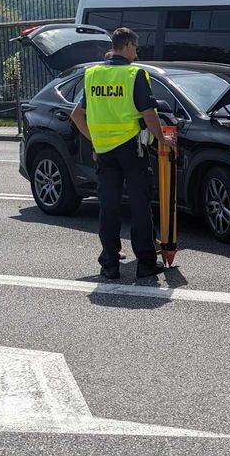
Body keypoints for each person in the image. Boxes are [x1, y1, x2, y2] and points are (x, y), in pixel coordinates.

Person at [70, 28, 171, 280]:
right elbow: (149, 115)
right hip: (132, 149)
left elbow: (76, 115)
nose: (137, 53)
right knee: (139, 205)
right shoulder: (134, 75)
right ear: (126, 45)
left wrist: (96, 141)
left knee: (109, 207)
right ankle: (146, 263)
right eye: (135, 47)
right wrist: (162, 138)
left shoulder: (92, 75)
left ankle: (110, 264)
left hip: (104, 152)